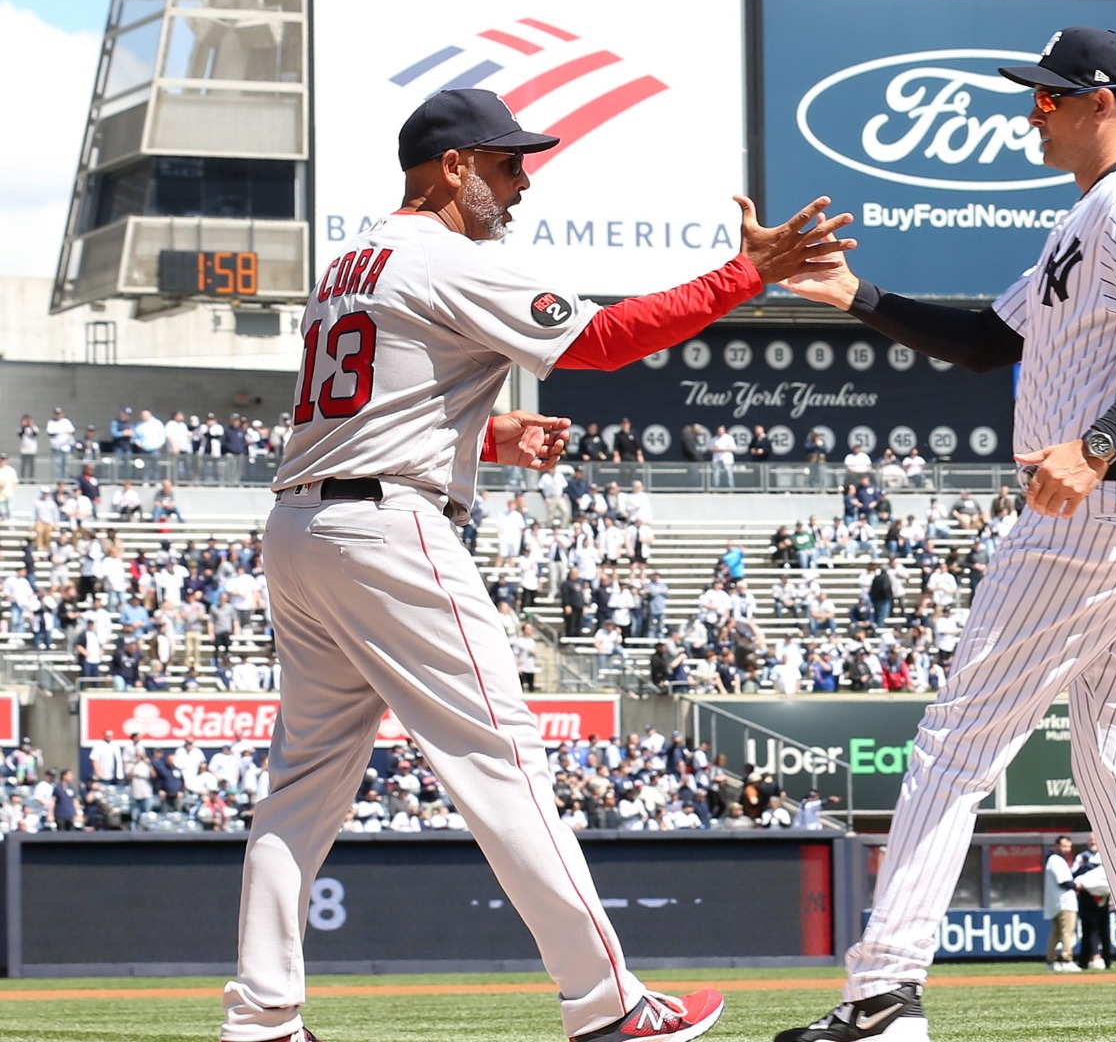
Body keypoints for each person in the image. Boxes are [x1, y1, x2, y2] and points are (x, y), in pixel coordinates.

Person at [219, 88, 849, 1042]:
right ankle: (609, 1005)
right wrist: (741, 277)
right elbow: (600, 342)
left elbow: (377, 395)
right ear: (453, 167)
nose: (523, 179)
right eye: (507, 162)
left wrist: (485, 432)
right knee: (503, 763)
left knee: (299, 790)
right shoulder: (445, 252)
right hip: (386, 532)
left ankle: (261, 1017)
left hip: (302, 528)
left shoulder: (350, 259)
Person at [776, 27, 1116, 1042]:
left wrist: (1099, 443)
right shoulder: (1085, 219)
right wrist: (858, 297)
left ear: (1101, 101)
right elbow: (990, 343)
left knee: (954, 743)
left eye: (1047, 96)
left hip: (1102, 509)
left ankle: (885, 994)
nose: (1031, 110)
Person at [1073, 833, 1113, 971]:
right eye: (1091, 840)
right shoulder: (1082, 857)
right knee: (1088, 929)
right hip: (1087, 898)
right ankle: (1085, 960)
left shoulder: (1106, 856)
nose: (1093, 842)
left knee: (1104, 930)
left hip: (1103, 897)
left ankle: (1107, 960)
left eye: (1095, 840)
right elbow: (1075, 876)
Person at [1044, 835, 1081, 972]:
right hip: (1064, 902)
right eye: (1064, 846)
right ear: (1057, 846)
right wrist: (1077, 885)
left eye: (1069, 846)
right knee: (1067, 932)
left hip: (1057, 902)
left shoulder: (1055, 859)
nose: (1067, 849)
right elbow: (1064, 881)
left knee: (1056, 933)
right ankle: (1067, 959)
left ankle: (1050, 960)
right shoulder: (1056, 859)